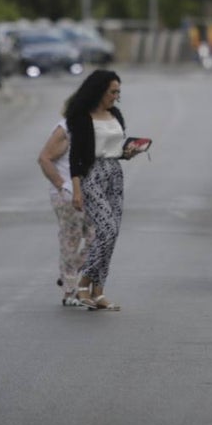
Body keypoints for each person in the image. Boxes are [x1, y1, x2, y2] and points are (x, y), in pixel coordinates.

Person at [66, 69, 145, 311]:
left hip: (114, 174)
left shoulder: (115, 115)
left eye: (118, 92)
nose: (116, 96)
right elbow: (76, 157)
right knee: (107, 230)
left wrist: (128, 152)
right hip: (92, 176)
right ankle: (83, 283)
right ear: (99, 90)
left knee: (113, 233)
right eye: (113, 91)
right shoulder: (81, 116)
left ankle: (98, 291)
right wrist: (77, 191)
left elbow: (115, 148)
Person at [37, 115, 93, 307]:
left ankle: (70, 273)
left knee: (98, 237)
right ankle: (70, 290)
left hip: (88, 192)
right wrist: (63, 186)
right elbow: (44, 158)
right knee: (71, 240)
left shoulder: (98, 124)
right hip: (67, 194)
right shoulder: (67, 127)